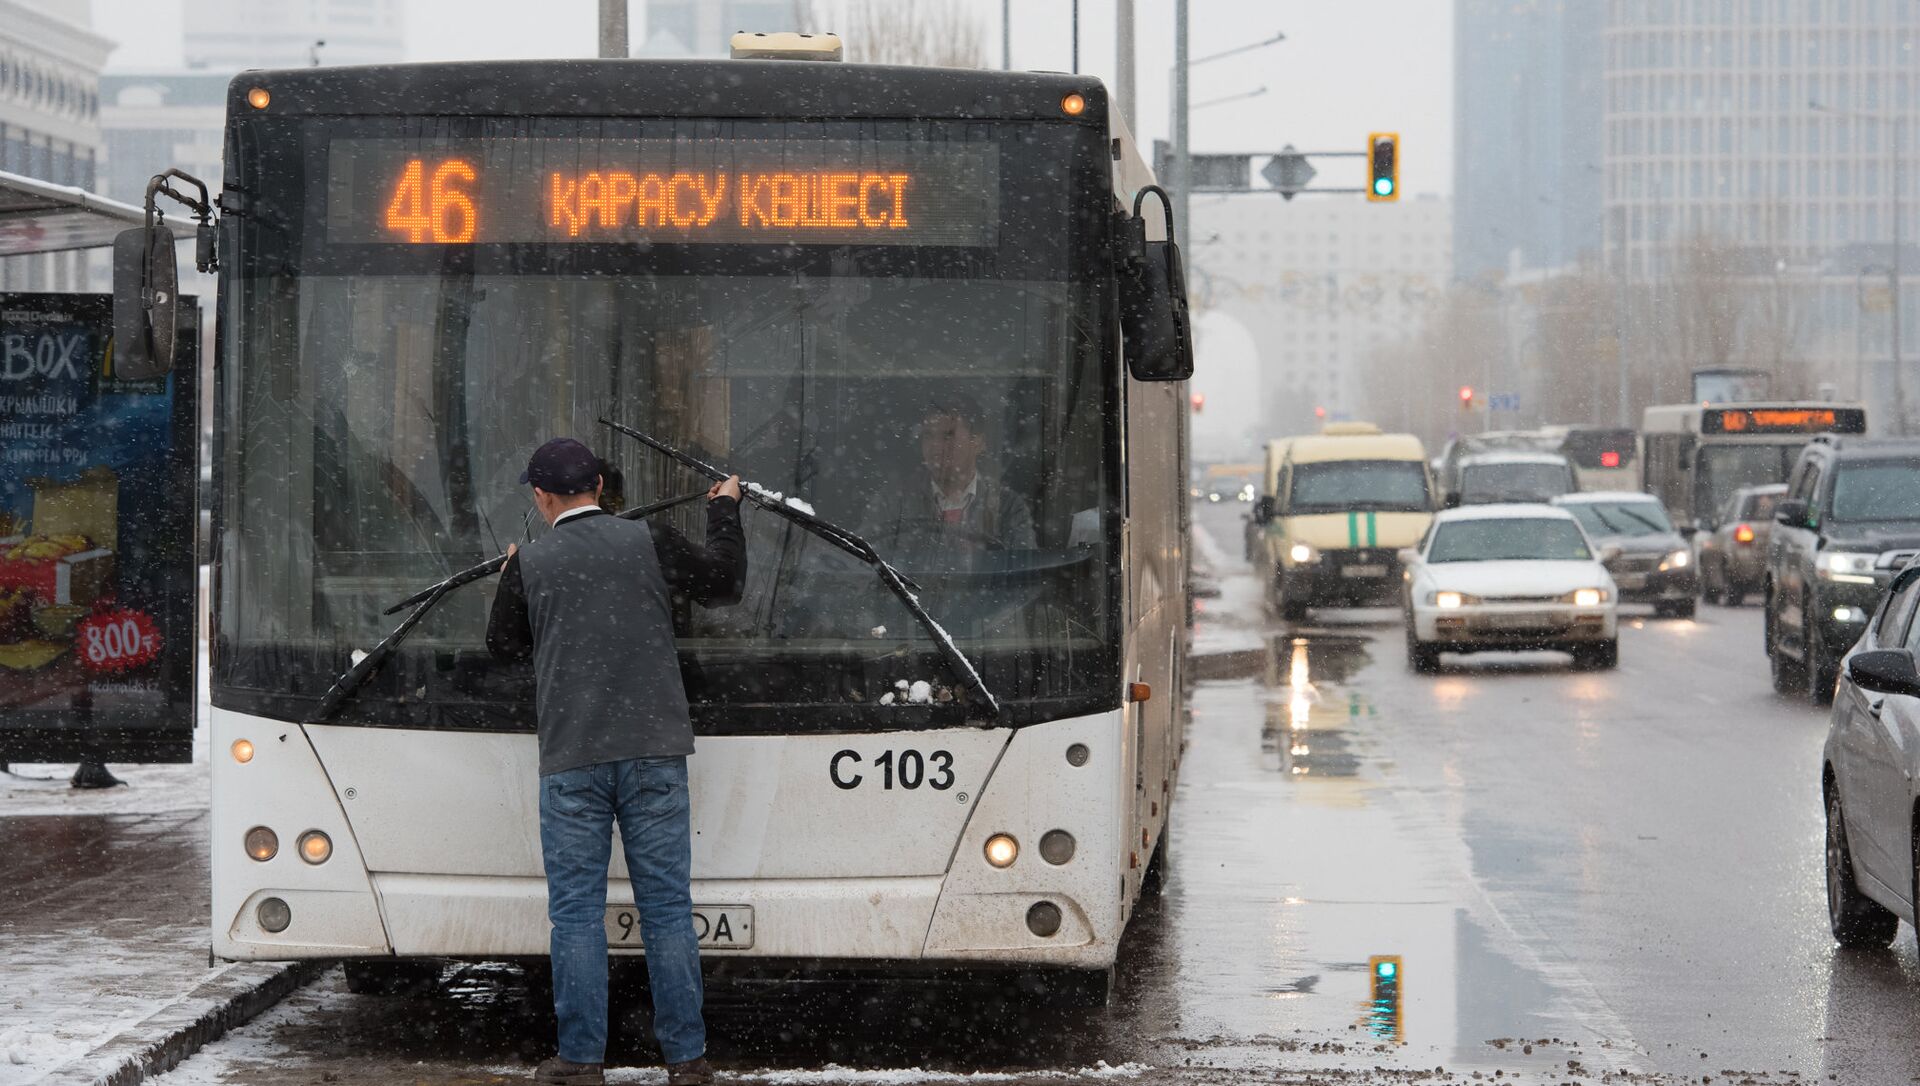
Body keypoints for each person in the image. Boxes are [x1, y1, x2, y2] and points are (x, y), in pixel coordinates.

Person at [486, 437, 745, 1086]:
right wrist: (726, 510)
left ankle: (580, 1059)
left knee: (575, 913)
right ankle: (686, 1061)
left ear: (542, 496)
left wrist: (512, 577)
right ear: (600, 485)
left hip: (573, 758)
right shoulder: (651, 542)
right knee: (665, 909)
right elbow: (724, 585)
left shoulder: (534, 564)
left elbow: (503, 649)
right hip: (655, 753)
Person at [860, 394, 1036, 552]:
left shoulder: (1008, 508)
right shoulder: (892, 502)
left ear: (978, 442)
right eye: (928, 436)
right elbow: (862, 567)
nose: (935, 446)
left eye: (948, 436)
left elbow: (1024, 579)